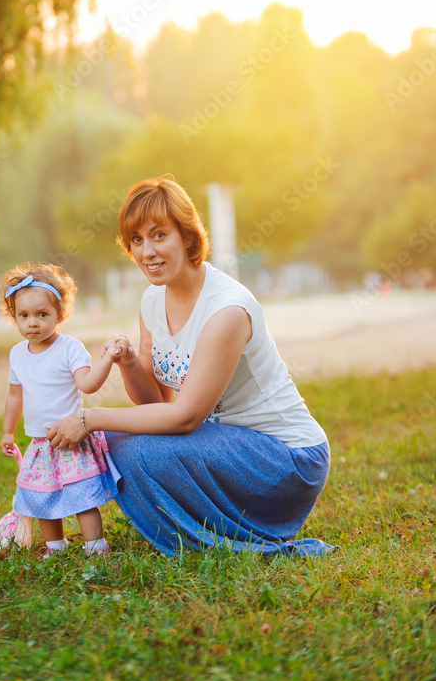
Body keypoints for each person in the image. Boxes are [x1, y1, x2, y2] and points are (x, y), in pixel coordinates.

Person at [47, 175, 333, 558]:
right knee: (115, 442)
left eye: (159, 235)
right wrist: (131, 364)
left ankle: (216, 543)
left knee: (131, 449)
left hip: (288, 459)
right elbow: (157, 400)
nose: (147, 251)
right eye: (136, 240)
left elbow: (184, 418)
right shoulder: (152, 301)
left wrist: (90, 417)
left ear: (187, 236)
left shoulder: (226, 309)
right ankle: (205, 528)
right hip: (227, 447)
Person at [0, 262, 122, 557]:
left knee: (81, 497)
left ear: (59, 313)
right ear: (13, 316)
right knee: (40, 497)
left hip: (70, 439)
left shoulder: (69, 348)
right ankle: (56, 548)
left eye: (42, 314)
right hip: (40, 443)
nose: (33, 323)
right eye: (24, 315)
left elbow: (88, 384)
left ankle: (95, 546)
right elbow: (15, 397)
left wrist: (107, 359)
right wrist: (7, 431)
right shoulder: (17, 355)